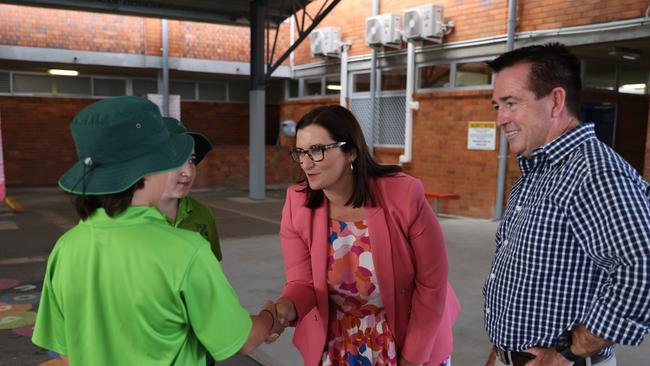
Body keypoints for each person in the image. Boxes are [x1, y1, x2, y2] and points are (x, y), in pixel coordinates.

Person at [31, 96, 282, 365]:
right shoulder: (187, 250)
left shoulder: (66, 247)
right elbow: (240, 340)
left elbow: (67, 353)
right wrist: (269, 316)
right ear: (149, 167)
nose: (183, 168)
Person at [483, 43, 650, 366]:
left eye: (511, 103)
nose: (501, 119)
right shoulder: (539, 171)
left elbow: (642, 270)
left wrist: (569, 350)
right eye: (497, 106)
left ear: (556, 101)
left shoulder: (594, 172)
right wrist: (502, 352)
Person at [270, 105, 460, 366]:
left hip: (410, 336)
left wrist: (412, 359)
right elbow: (303, 284)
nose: (305, 163)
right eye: (300, 152)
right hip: (342, 340)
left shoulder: (403, 195)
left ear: (351, 152)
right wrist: (286, 307)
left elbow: (432, 286)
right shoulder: (297, 204)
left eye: (317, 150)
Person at [159, 117, 223, 261]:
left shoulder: (202, 213)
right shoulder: (126, 219)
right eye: (177, 160)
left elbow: (212, 269)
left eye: (191, 160)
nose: (188, 172)